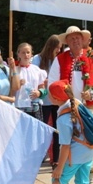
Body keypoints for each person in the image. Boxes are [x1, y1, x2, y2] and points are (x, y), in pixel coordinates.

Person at [48, 26, 93, 184]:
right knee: (66, 142)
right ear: (67, 41)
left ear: (83, 40)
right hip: (67, 107)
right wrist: (59, 97)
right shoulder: (60, 59)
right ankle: (64, 179)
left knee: (91, 141)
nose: (75, 40)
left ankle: (89, 179)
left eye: (78, 37)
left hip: (88, 106)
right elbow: (51, 83)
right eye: (71, 38)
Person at [41, 80, 93, 184]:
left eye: (50, 95)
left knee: (58, 180)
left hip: (74, 155)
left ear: (57, 99)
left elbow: (65, 146)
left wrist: (59, 167)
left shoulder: (63, 119)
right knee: (83, 183)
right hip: (89, 152)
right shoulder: (76, 102)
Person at [33, 35, 62, 165]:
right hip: (42, 100)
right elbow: (32, 76)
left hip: (56, 100)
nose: (59, 51)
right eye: (57, 48)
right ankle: (38, 157)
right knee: (41, 130)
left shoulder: (58, 60)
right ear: (51, 47)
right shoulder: (37, 59)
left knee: (57, 130)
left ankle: (56, 159)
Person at [14, 42, 47, 121]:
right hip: (20, 106)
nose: (26, 55)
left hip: (34, 107)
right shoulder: (15, 70)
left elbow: (43, 88)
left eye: (28, 52)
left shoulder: (36, 70)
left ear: (31, 54)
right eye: (23, 52)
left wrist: (39, 93)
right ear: (18, 54)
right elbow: (11, 89)